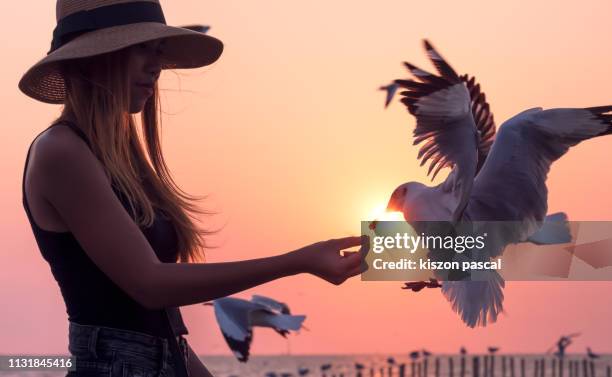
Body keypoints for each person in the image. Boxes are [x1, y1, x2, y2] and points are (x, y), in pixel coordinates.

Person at [18, 1, 368, 376]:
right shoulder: (61, 151)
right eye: (141, 49)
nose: (155, 67)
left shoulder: (120, 159)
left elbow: (159, 333)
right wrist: (297, 261)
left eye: (158, 52)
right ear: (95, 56)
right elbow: (149, 284)